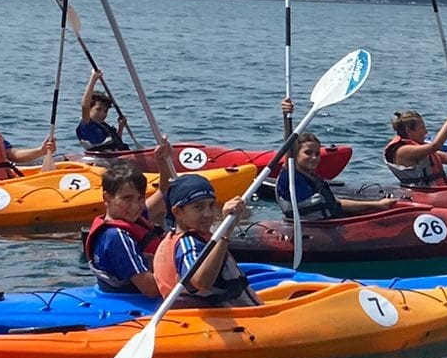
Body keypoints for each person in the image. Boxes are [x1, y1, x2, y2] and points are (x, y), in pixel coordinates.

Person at [153, 173, 259, 309]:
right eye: (198, 207)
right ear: (177, 211)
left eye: (211, 205)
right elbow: (200, 281)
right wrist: (225, 234)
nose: (208, 214)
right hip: (212, 317)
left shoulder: (181, 237)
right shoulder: (187, 243)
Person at [81, 160, 176, 297]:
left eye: (140, 198)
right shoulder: (118, 237)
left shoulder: (132, 217)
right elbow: (151, 290)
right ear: (107, 198)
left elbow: (164, 192)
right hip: (132, 299)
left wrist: (163, 160)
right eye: (127, 198)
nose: (135, 206)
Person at [273, 131, 390, 219]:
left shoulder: (311, 178)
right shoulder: (290, 175)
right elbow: (289, 144)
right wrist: (286, 114)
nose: (314, 157)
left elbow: (334, 203)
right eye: (308, 153)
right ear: (295, 155)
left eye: (317, 154)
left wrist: (377, 205)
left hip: (329, 223)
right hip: (310, 229)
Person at [383, 99, 447, 187]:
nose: (426, 131)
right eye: (422, 128)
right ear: (409, 131)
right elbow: (436, 146)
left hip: (438, 190)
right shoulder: (403, 151)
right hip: (423, 193)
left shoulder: (420, 147)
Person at [75, 71, 126, 155]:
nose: (102, 114)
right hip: (105, 163)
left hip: (117, 160)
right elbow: (85, 106)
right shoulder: (87, 126)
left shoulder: (103, 127)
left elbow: (114, 144)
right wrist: (93, 79)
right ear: (90, 109)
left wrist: (120, 128)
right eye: (98, 109)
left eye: (105, 111)